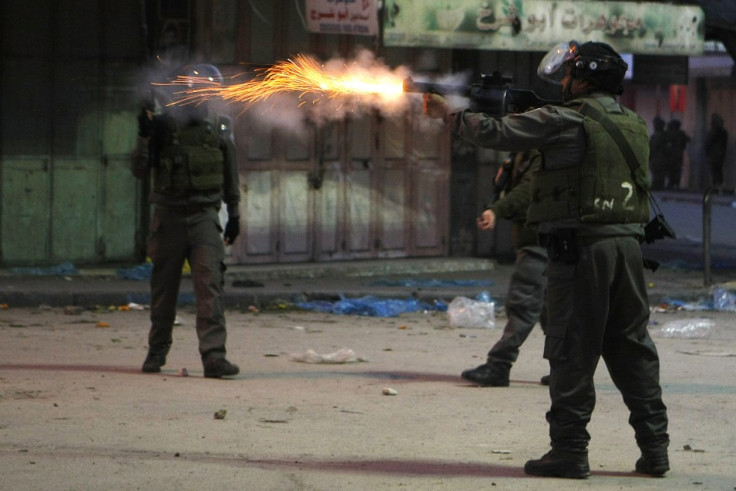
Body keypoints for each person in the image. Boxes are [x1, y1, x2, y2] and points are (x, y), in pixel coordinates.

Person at [424, 41, 669, 478]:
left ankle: (570, 452)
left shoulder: (564, 119)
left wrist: (448, 113)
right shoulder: (634, 123)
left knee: (572, 348)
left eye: (571, 73)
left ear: (584, 77)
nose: (564, 80)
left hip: (582, 252)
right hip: (628, 250)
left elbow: (497, 135)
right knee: (632, 349)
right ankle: (656, 450)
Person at [131, 63, 242, 378]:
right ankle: (156, 354)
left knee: (210, 287)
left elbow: (231, 173)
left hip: (205, 216)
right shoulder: (164, 127)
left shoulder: (220, 127)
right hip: (169, 217)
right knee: (163, 291)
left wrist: (234, 215)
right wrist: (144, 135)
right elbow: (139, 170)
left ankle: (214, 358)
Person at [462, 150, 549, 387]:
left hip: (541, 241)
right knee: (552, 310)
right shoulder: (523, 151)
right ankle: (568, 369)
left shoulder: (543, 150)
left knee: (523, 304)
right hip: (542, 240)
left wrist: (497, 210)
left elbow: (529, 189)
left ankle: (499, 365)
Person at [663, 119, 690, 189]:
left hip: (672, 154)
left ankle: (672, 183)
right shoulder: (680, 133)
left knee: (672, 169)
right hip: (678, 154)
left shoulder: (671, 133)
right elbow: (688, 139)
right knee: (676, 169)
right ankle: (676, 183)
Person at [705, 112, 728, 189]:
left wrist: (707, 153)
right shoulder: (723, 132)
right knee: (718, 169)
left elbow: (708, 143)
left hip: (714, 153)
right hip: (720, 153)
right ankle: (719, 183)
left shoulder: (713, 132)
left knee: (715, 169)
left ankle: (716, 183)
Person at [649, 116, 667, 190]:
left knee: (657, 172)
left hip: (657, 157)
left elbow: (652, 147)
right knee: (659, 173)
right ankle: (659, 185)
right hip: (662, 157)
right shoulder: (665, 135)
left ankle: (657, 185)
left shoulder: (657, 136)